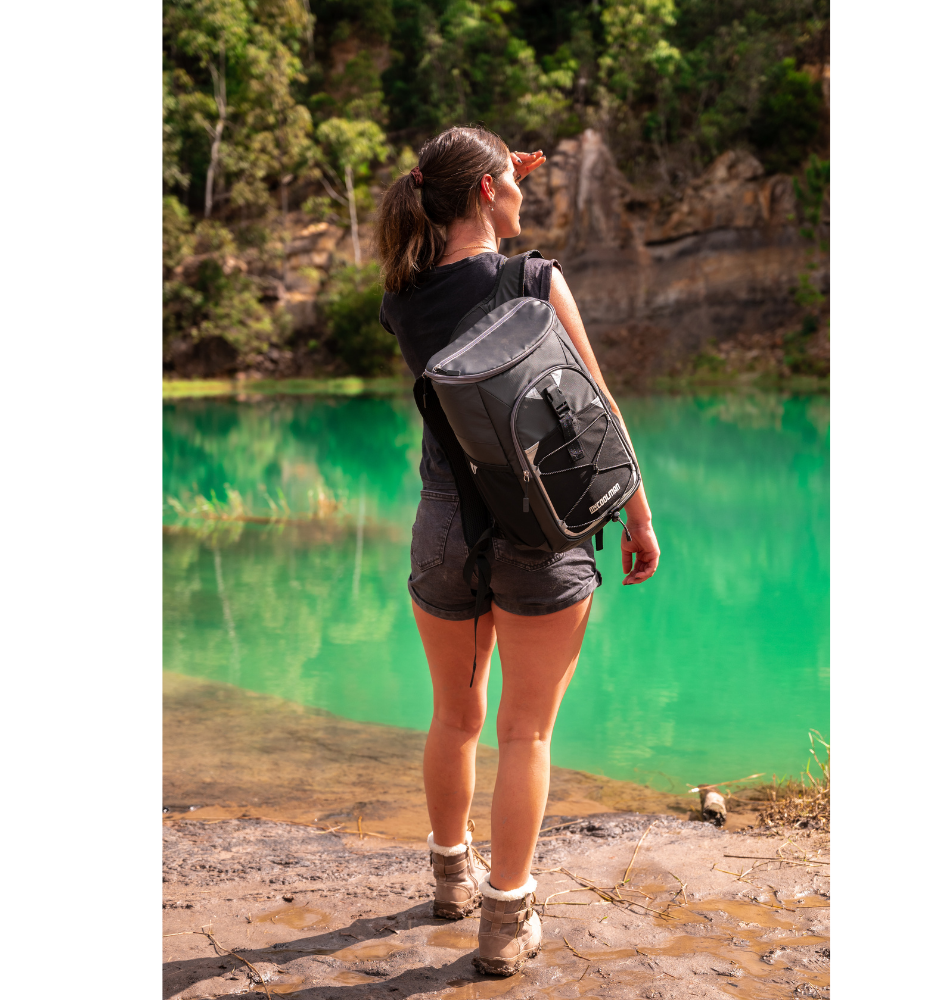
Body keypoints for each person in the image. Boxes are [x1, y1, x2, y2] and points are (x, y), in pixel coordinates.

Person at [374, 125, 660, 976]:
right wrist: (638, 516)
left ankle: (449, 880)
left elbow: (460, 228)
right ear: (488, 192)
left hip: (445, 527)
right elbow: (595, 405)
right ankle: (505, 920)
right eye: (515, 181)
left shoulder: (403, 296)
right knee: (525, 732)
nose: (525, 190)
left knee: (454, 717)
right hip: (544, 527)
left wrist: (491, 171)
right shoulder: (534, 279)